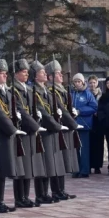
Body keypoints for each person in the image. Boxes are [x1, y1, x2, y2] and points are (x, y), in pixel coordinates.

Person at [0, 58, 26, 213]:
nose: (5, 76)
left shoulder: (5, 90)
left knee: (1, 171)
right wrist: (12, 129)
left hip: (6, 134)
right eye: (1, 73)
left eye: (5, 73)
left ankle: (0, 201)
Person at [10, 58, 47, 207]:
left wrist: (37, 117)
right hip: (22, 131)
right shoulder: (14, 90)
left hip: (30, 130)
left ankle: (25, 196)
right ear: (16, 74)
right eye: (23, 72)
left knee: (28, 166)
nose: (26, 75)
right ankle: (19, 198)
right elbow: (20, 110)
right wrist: (35, 126)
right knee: (21, 167)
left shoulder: (27, 89)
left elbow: (32, 109)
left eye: (27, 72)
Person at [30, 60, 65, 205]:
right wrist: (55, 125)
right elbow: (43, 112)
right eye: (42, 72)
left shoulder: (45, 91)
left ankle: (47, 192)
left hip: (50, 129)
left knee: (49, 163)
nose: (45, 74)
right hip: (43, 129)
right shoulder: (35, 91)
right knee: (43, 164)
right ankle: (41, 194)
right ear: (35, 76)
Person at [46, 59, 78, 200]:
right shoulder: (52, 91)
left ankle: (61, 189)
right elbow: (61, 109)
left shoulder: (62, 90)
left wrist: (74, 114)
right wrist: (73, 123)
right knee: (57, 161)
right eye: (58, 74)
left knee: (63, 160)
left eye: (60, 73)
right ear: (50, 77)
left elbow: (67, 109)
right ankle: (56, 190)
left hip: (65, 128)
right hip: (58, 128)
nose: (61, 76)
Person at [70, 73, 98, 178]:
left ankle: (85, 170)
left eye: (79, 81)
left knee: (84, 148)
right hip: (73, 124)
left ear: (82, 82)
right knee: (74, 148)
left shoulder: (87, 94)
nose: (77, 83)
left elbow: (94, 107)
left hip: (84, 124)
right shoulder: (71, 93)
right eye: (75, 81)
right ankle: (75, 169)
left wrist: (80, 111)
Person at [88, 75, 104, 174]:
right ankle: (89, 164)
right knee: (90, 144)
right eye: (90, 83)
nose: (92, 84)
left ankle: (97, 166)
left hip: (99, 121)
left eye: (94, 82)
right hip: (89, 120)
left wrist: (99, 112)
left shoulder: (101, 95)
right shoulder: (86, 94)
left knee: (99, 144)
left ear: (97, 83)